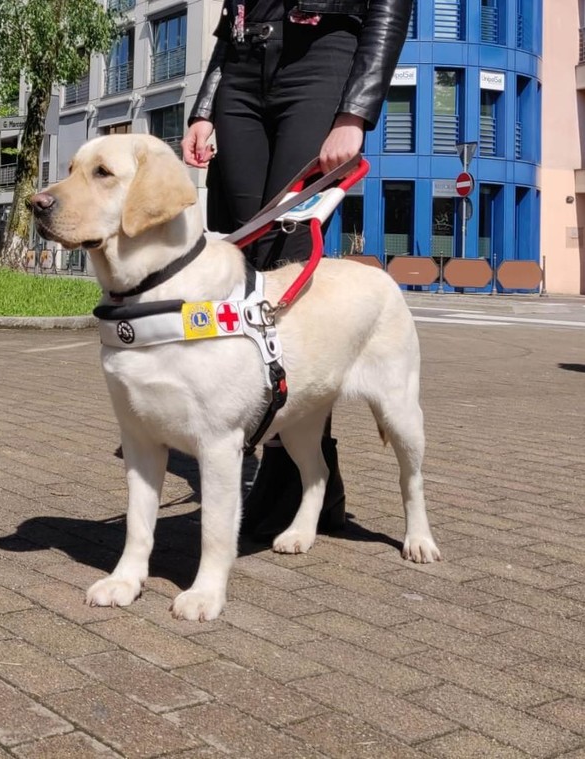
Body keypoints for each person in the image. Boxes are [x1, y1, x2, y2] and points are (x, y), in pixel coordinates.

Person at [182, 0, 413, 540]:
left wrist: (355, 111)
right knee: (235, 265)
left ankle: (292, 471)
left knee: (286, 263)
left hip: (322, 58)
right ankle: (311, 475)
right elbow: (231, 17)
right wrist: (204, 106)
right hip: (240, 67)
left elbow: (389, 7)